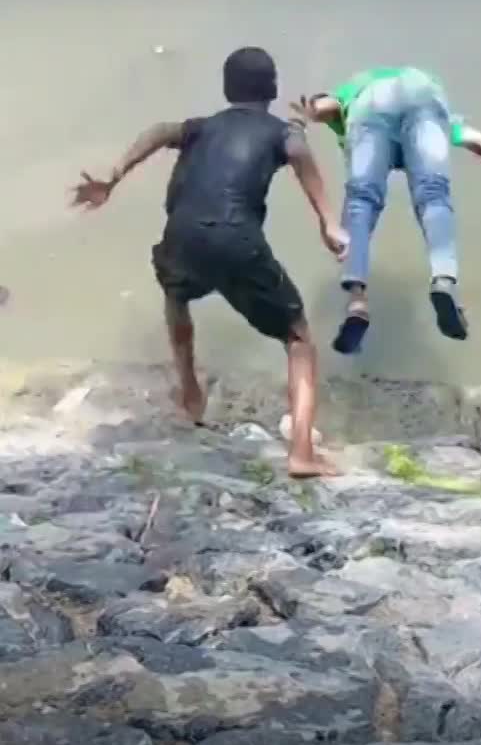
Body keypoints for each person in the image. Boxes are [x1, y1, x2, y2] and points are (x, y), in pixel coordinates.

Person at [71, 47, 349, 478]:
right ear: (273, 89)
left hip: (181, 236)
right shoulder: (280, 132)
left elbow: (159, 131)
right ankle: (302, 454)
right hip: (235, 238)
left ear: (226, 88)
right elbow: (301, 158)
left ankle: (190, 396)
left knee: (176, 293)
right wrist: (329, 222)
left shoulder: (202, 127)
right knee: (298, 339)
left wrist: (114, 175)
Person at [291, 66, 481, 353]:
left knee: (361, 200)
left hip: (372, 103)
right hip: (424, 97)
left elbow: (331, 104)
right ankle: (444, 280)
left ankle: (357, 303)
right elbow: (476, 140)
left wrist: (311, 112)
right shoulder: (420, 101)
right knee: (434, 196)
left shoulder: (356, 92)